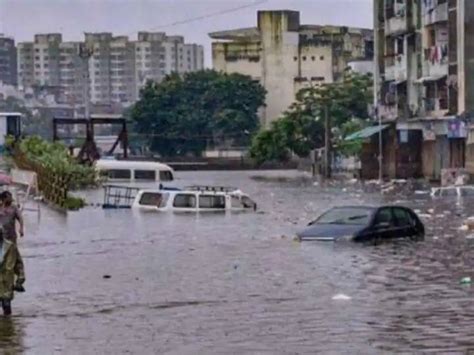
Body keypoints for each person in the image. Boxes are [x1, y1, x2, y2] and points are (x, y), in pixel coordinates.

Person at [0, 226, 25, 316]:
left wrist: (20, 280)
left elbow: (19, 264)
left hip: (7, 283)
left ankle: (8, 327)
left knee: (7, 308)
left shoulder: (10, 247)